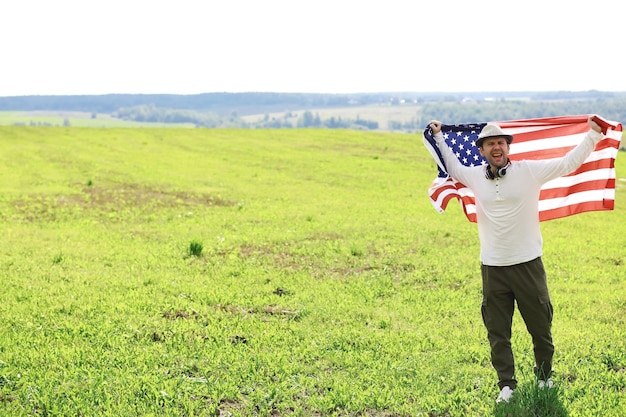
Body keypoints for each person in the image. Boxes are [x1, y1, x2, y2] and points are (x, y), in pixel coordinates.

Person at [427, 116, 604, 403]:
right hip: (492, 267)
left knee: (540, 327)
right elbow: (453, 166)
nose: (496, 148)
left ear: (508, 147)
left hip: (527, 264)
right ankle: (506, 385)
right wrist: (438, 137)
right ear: (481, 150)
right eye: (490, 144)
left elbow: (568, 163)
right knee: (497, 331)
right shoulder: (473, 175)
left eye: (500, 143)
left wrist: (593, 135)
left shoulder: (529, 172)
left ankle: (545, 377)